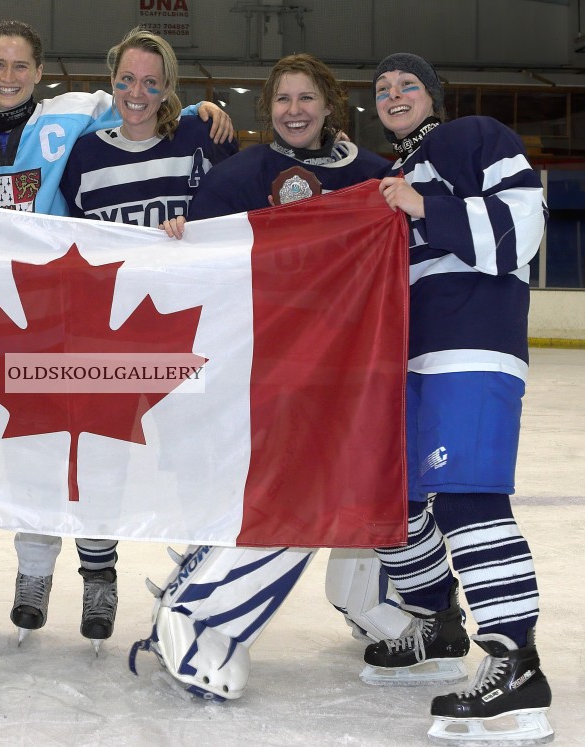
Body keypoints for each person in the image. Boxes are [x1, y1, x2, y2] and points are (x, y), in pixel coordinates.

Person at [0, 19, 234, 645]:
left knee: (100, 449)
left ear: (41, 73)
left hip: (83, 324)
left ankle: (102, 576)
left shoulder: (79, 120)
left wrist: (205, 109)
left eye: (22, 66)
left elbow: (152, 119)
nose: (10, 76)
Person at [128, 54, 411, 701]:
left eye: (306, 97)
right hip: (267, 372)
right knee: (288, 491)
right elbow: (201, 261)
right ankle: (198, 613)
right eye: (282, 99)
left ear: (329, 103)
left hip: (349, 372)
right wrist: (180, 236)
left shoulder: (374, 178)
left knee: (355, 487)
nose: (294, 110)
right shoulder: (242, 175)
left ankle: (377, 603)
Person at [360, 53, 552, 744]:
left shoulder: (475, 136)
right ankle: (437, 619)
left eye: (407, 84)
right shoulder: (387, 177)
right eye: (381, 90)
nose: (393, 94)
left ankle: (516, 660)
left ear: (434, 96)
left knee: (470, 498)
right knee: (390, 501)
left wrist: (423, 206)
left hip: (472, 345)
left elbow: (522, 225)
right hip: (407, 365)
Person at [55, 28, 237, 652]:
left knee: (193, 460)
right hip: (110, 340)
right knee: (100, 460)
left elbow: (239, 212)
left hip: (188, 333)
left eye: (151, 82)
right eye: (127, 80)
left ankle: (197, 580)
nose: (138, 92)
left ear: (169, 88)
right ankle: (98, 577)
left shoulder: (201, 137)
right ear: (113, 82)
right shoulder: (84, 155)